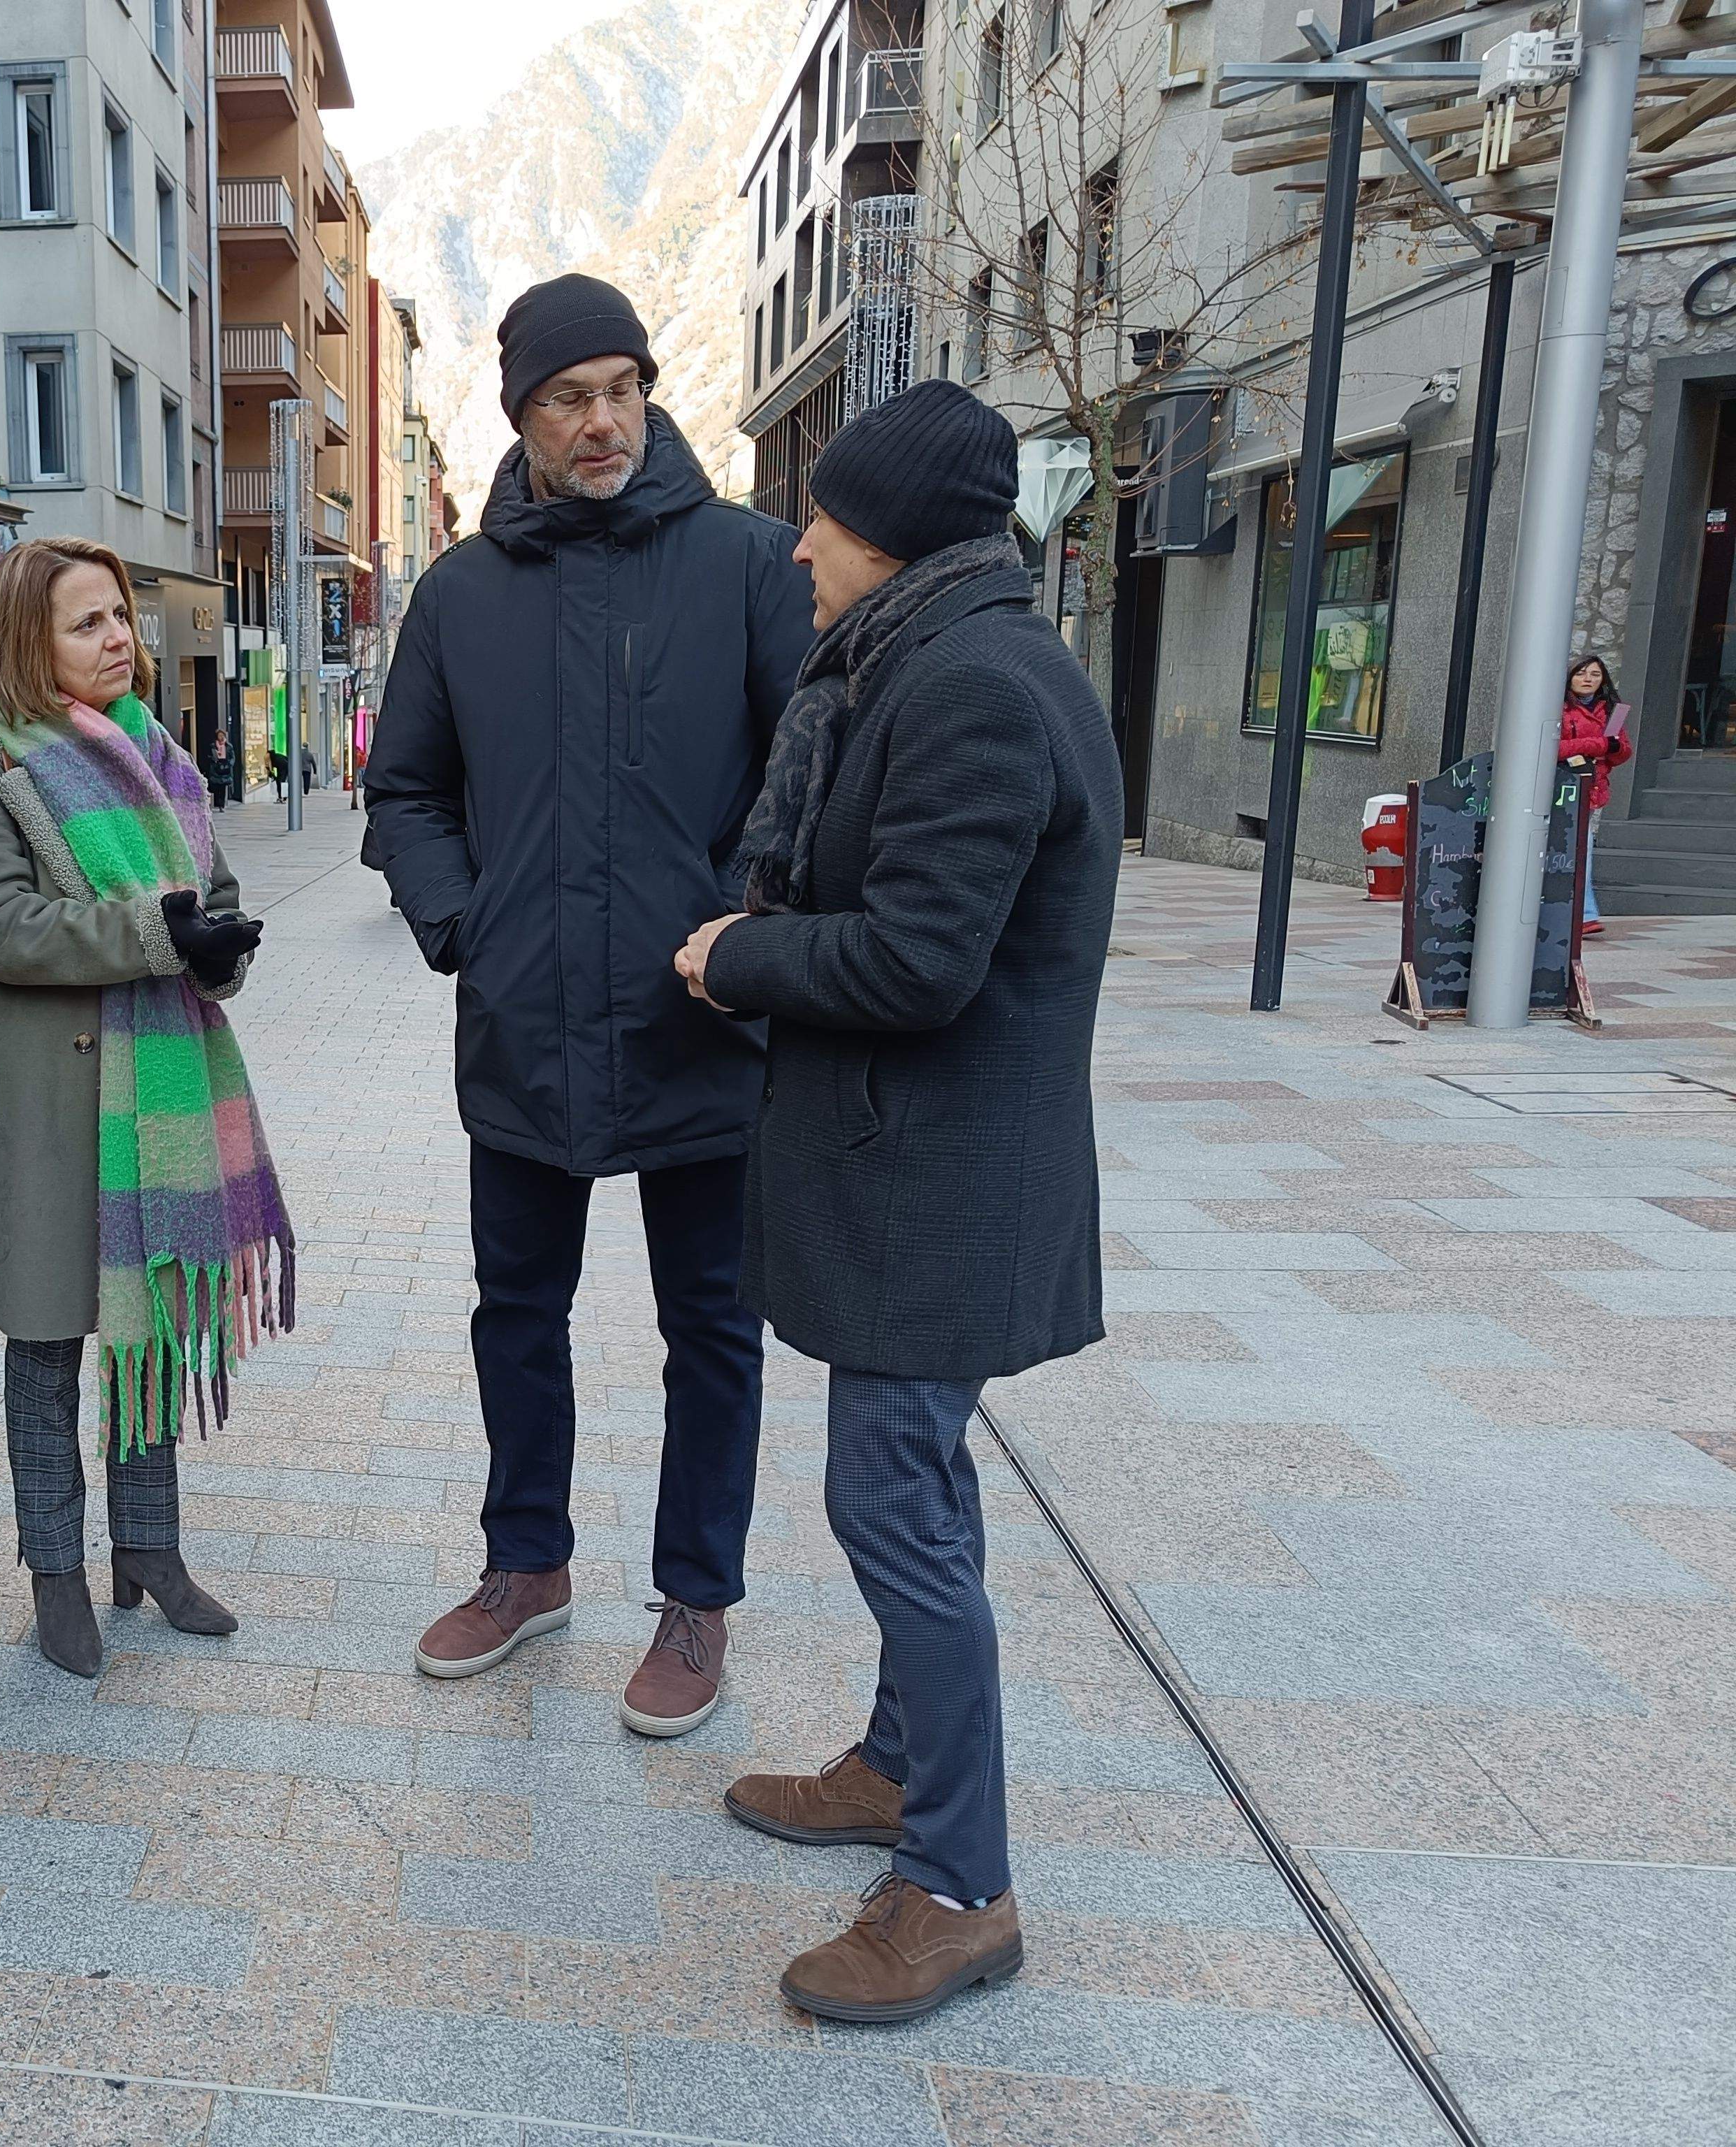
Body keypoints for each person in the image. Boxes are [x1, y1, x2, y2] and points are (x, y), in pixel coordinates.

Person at [672, 379, 1120, 2025]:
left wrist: (740, 952)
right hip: (919, 1176)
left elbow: (922, 958)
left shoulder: (977, 686)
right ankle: (898, 1764)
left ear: (901, 535)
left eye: (830, 517)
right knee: (916, 1488)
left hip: (936, 1189)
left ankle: (955, 1879)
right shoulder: (937, 657)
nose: (801, 542)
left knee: (891, 1506)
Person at [361, 274, 813, 1736]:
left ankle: (696, 1600)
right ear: (521, 419)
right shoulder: (459, 592)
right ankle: (524, 1563)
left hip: (703, 1021)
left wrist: (735, 923)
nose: (600, 419)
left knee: (711, 1326)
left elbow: (803, 779)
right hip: (525, 1015)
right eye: (567, 397)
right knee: (515, 1311)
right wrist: (462, 925)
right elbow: (407, 790)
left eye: (620, 387)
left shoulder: (748, 564)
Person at [0, 537, 295, 1677]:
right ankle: (55, 1576)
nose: (119, 637)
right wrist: (157, 934)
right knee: (46, 1352)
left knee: (153, 1330)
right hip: (42, 1108)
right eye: (87, 623)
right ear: (28, 641)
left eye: (120, 614)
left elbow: (208, 893)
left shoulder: (161, 756)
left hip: (158, 1095)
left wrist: (217, 947)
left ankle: (152, 1550)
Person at [1560, 654, 1631, 937]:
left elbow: (1622, 752)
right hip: (1560, 787)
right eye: (1581, 673)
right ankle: (1585, 914)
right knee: (1578, 848)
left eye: (1594, 674)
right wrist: (1599, 744)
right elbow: (1552, 746)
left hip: (1590, 788)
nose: (1588, 679)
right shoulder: (1559, 708)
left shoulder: (1612, 710)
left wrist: (1611, 749)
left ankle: (1585, 915)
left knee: (1582, 848)